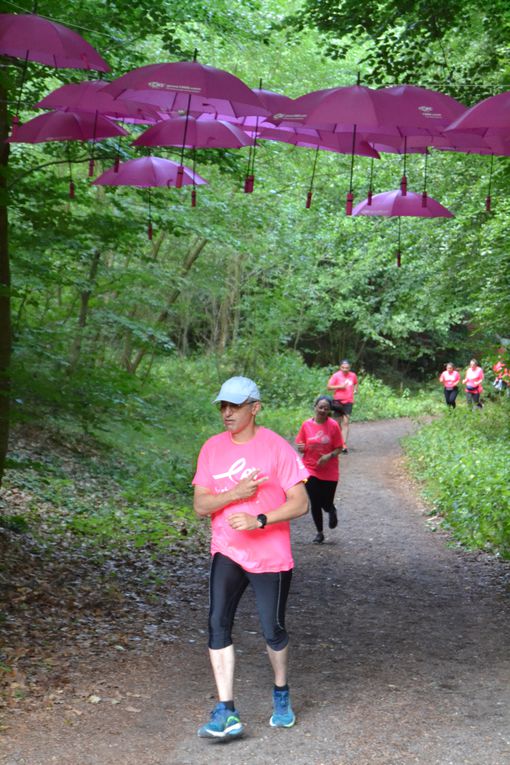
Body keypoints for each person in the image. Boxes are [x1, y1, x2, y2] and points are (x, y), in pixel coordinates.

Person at [192, 376, 309, 740]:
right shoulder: (211, 448)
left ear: (254, 408)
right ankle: (226, 709)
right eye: (222, 406)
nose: (226, 413)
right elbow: (200, 505)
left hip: (270, 555)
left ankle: (281, 692)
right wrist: (235, 493)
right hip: (227, 549)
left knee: (272, 630)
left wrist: (261, 519)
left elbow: (300, 503)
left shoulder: (277, 448)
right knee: (216, 623)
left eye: (235, 406)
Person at [295, 396, 344, 544]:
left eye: (326, 408)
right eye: (320, 407)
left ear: (329, 410)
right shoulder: (306, 425)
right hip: (310, 468)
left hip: (329, 470)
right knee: (315, 501)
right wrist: (301, 447)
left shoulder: (334, 426)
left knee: (325, 502)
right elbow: (300, 443)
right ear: (315, 407)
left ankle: (331, 510)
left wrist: (328, 456)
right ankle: (319, 533)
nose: (322, 410)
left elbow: (339, 448)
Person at [327, 359, 358, 453]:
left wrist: (355, 390)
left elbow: (356, 383)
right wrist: (340, 386)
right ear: (340, 367)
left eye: (347, 368)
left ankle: (343, 444)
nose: (345, 369)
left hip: (349, 401)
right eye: (343, 367)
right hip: (338, 401)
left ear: (350, 367)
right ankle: (335, 443)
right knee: (336, 424)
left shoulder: (353, 375)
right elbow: (329, 387)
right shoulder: (336, 375)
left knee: (345, 423)